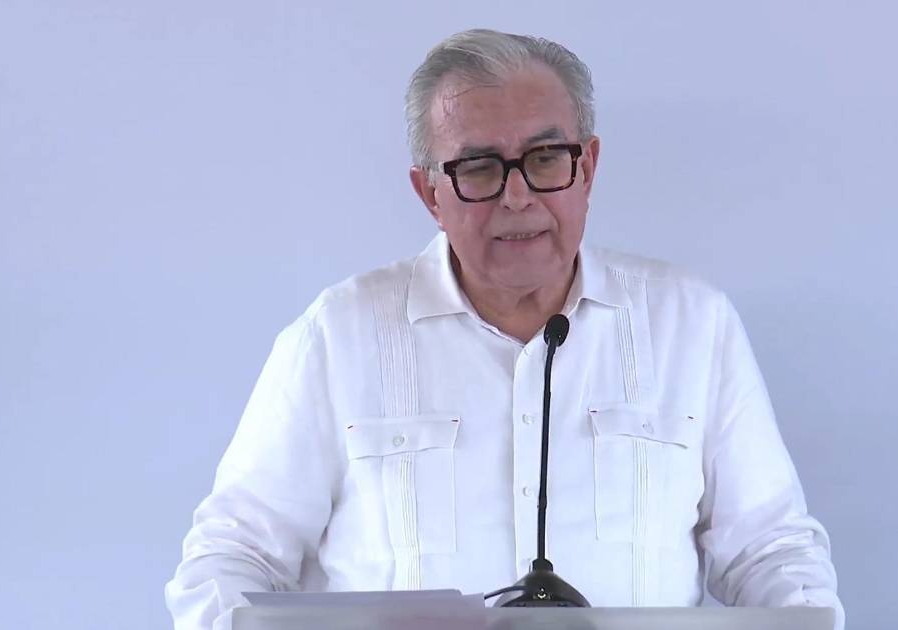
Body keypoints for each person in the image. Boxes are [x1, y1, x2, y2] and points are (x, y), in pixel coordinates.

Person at [165, 28, 844, 630]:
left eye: (545, 158)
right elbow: (233, 554)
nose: (517, 197)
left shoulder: (690, 324)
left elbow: (769, 549)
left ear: (587, 168)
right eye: (479, 168)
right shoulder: (338, 336)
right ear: (430, 193)